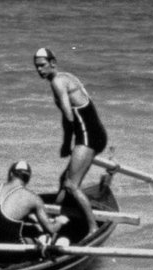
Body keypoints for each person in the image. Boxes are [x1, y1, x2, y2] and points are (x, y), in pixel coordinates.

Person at [32, 46, 110, 239]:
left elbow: (69, 116)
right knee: (64, 181)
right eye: (37, 67)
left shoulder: (58, 82)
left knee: (71, 185)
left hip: (88, 136)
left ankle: (92, 228)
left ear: (53, 64)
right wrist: (68, 144)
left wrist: (67, 143)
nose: (39, 70)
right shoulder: (67, 77)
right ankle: (58, 217)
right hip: (96, 133)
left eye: (42, 66)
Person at [0, 160, 66, 249]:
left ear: (11, 174)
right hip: (11, 254)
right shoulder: (33, 198)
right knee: (43, 238)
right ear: (28, 179)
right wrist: (60, 221)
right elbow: (51, 229)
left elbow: (0, 217)